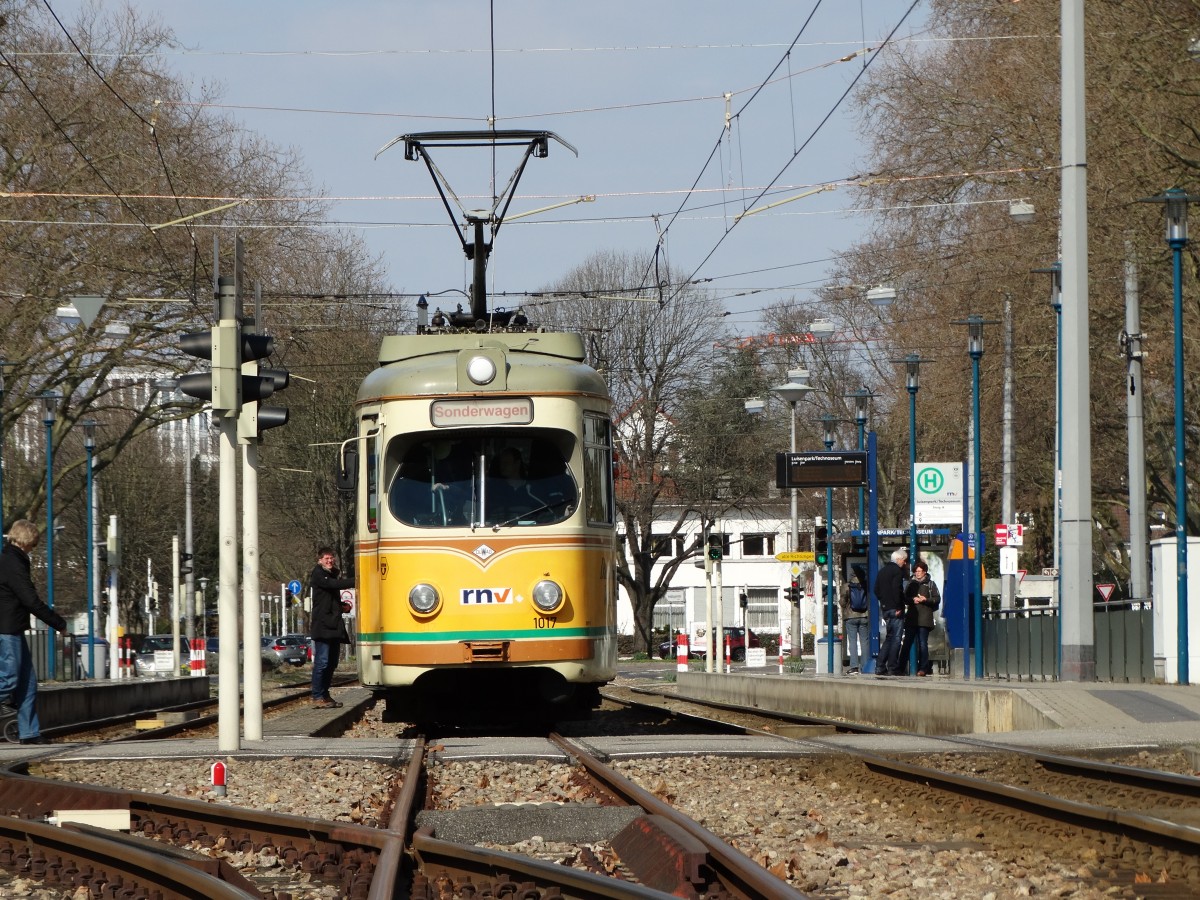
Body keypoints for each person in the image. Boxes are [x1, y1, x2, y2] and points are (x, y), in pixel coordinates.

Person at [0, 520, 68, 744]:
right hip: (6, 629)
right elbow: (30, 600)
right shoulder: (12, 562)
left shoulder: (13, 560)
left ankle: (29, 733)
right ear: (25, 541)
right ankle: (28, 731)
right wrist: (58, 623)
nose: (33, 549)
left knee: (27, 683)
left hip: (14, 628)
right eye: (32, 545)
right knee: (9, 678)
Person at [309, 546, 354, 708]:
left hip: (333, 626)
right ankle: (317, 695)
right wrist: (358, 580)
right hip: (323, 626)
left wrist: (341, 606)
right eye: (327, 558)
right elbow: (333, 585)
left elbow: (328, 599)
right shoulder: (319, 574)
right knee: (322, 661)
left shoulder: (330, 574)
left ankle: (325, 694)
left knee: (332, 663)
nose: (330, 561)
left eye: (331, 558)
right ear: (320, 560)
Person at [873, 547, 909, 677]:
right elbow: (897, 589)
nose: (905, 563)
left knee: (889, 638)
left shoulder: (882, 571)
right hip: (895, 609)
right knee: (896, 640)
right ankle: (893, 667)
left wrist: (884, 602)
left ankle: (879, 666)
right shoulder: (897, 572)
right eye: (904, 560)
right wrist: (899, 606)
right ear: (899, 559)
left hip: (886, 609)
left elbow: (876, 589)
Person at [902, 559, 941, 676]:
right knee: (907, 642)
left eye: (919, 571)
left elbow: (937, 598)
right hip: (912, 617)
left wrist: (926, 600)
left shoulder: (930, 584)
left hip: (924, 618)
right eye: (916, 571)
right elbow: (905, 598)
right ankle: (900, 666)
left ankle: (923, 668)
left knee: (923, 643)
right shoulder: (910, 583)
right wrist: (912, 600)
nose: (917, 573)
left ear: (925, 572)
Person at [487, 447, 545, 523]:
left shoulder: (532, 489)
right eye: (501, 463)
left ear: (517, 463)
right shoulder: (494, 489)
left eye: (506, 463)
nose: (502, 466)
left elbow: (542, 516)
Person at [841, 565, 871, 675]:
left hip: (850, 617)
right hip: (864, 616)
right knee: (864, 641)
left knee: (852, 641)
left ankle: (854, 666)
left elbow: (842, 602)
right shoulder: (866, 584)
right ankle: (864, 666)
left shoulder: (846, 586)